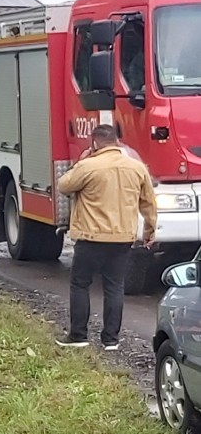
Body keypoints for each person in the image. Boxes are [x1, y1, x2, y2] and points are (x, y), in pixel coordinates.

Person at [55, 124, 157, 350]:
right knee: (114, 286)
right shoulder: (137, 168)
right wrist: (149, 231)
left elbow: (64, 185)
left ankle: (78, 335)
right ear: (117, 142)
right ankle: (111, 339)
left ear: (94, 143)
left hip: (91, 237)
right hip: (122, 238)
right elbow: (149, 202)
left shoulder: (88, 166)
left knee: (80, 284)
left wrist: (80, 162)